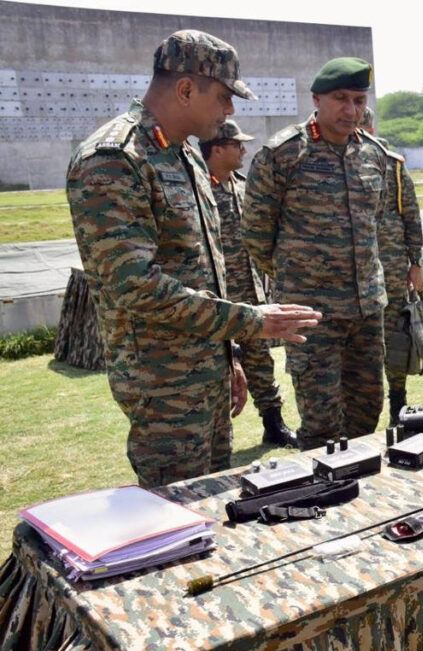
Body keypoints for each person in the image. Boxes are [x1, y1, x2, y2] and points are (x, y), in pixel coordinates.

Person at [66, 30, 320, 488]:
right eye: (223, 97)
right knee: (178, 515)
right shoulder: (114, 159)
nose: (230, 111)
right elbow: (137, 286)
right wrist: (250, 321)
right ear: (186, 89)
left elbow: (202, 269)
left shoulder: (184, 153)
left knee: (216, 505)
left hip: (207, 372)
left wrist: (229, 355)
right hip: (163, 388)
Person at [243, 57, 388, 448]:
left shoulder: (373, 154)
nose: (351, 110)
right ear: (316, 99)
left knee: (366, 414)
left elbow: (374, 222)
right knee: (321, 424)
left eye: (358, 100)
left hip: (366, 312)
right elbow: (256, 232)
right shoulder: (283, 154)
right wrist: (298, 278)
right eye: (340, 98)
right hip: (311, 314)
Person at [200, 120, 298, 447]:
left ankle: (274, 423)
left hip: (251, 294)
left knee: (260, 361)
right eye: (237, 145)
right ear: (217, 149)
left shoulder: (242, 187)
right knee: (218, 367)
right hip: (216, 299)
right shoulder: (198, 190)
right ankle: (215, 437)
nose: (244, 150)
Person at [359, 107, 423, 424]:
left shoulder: (393, 166)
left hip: (392, 269)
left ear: (371, 129)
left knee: (395, 337)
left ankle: (398, 400)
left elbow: (411, 215)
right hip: (352, 273)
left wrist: (416, 262)